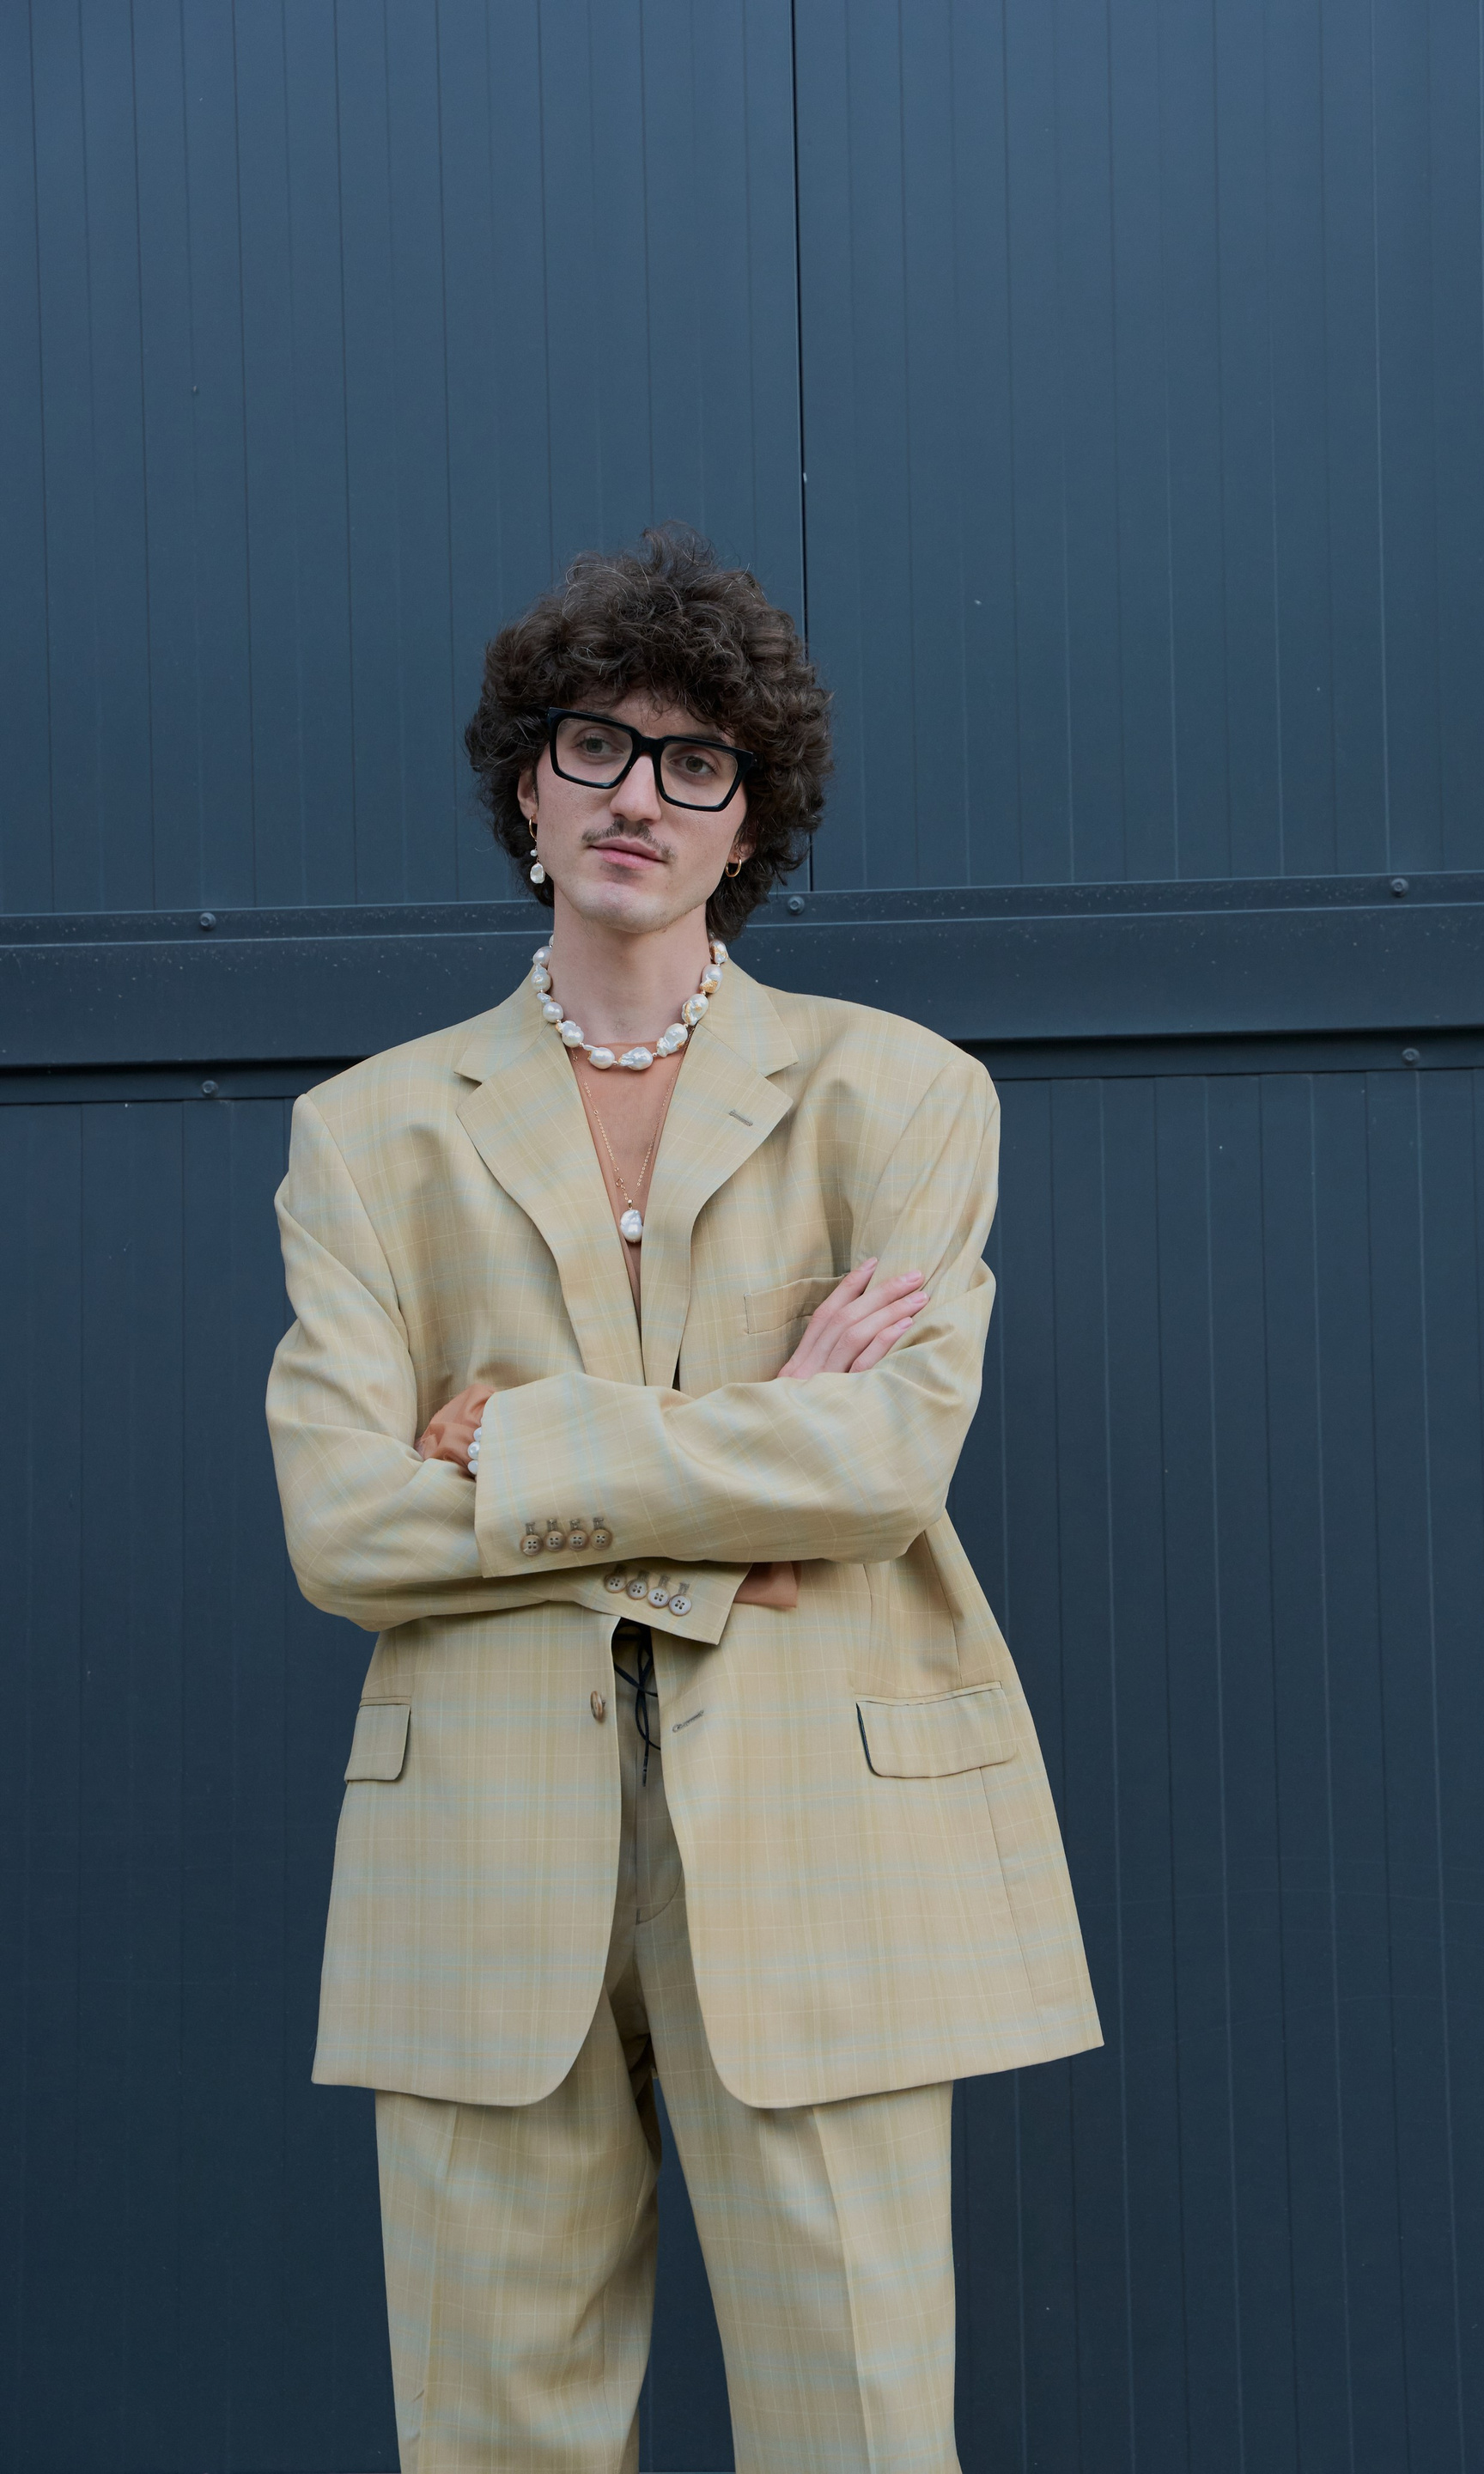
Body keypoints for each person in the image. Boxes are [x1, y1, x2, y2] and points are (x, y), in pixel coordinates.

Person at [266, 527, 1099, 2474]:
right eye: (595, 744)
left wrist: (521, 1444)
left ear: (750, 823)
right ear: (527, 789)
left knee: (857, 2433)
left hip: (827, 1843)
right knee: (492, 2443)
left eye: (695, 760)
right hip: (478, 1857)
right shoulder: (366, 1135)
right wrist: (752, 1455)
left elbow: (881, 1466)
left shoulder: (904, 1095)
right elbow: (341, 1530)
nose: (638, 792)